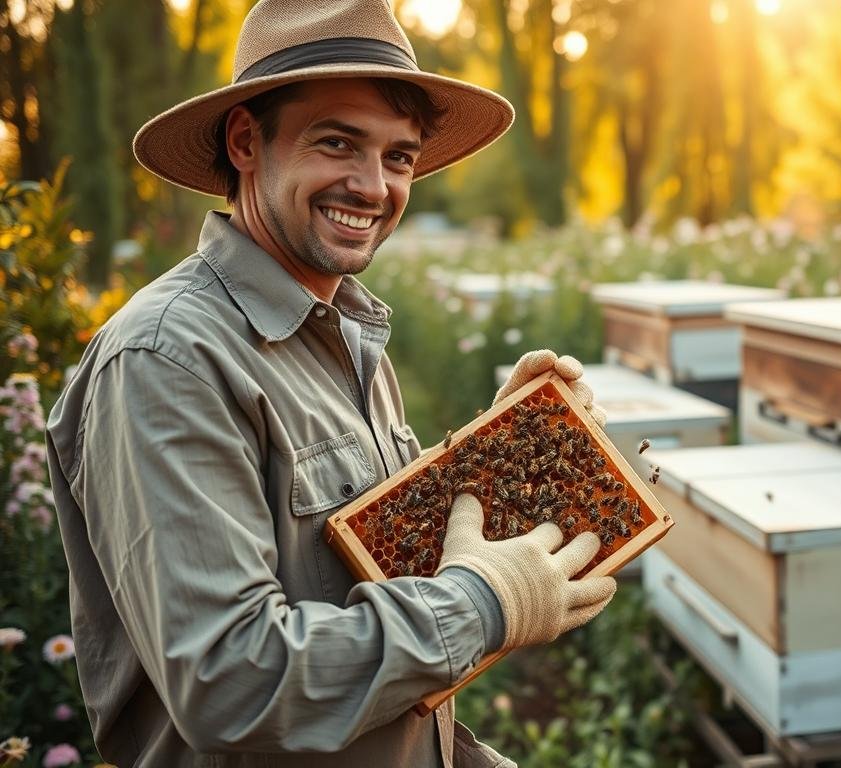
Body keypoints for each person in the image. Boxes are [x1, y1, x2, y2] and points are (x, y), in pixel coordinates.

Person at [43, 1, 617, 765]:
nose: (373, 186)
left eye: (400, 156)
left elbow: (367, 586)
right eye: (337, 143)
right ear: (246, 142)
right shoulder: (168, 359)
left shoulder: (344, 331)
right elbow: (231, 680)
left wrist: (493, 455)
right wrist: (483, 603)